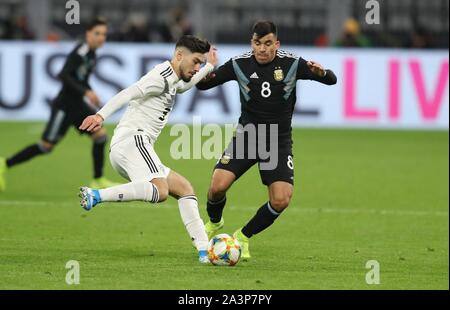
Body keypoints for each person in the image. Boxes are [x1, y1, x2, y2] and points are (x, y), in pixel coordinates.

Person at [196, 20, 337, 259]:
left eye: (268, 44)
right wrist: (208, 68)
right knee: (217, 186)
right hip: (247, 138)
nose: (262, 49)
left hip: (277, 142)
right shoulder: (239, 64)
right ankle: (215, 222)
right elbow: (202, 86)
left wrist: (322, 73)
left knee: (281, 199)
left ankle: (242, 237)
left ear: (277, 44)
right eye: (257, 43)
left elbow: (331, 80)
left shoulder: (292, 64)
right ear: (252, 43)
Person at [77, 35, 218, 264]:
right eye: (195, 62)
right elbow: (128, 93)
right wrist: (100, 115)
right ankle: (96, 195)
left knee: (184, 188)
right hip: (133, 141)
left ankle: (204, 250)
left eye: (200, 64)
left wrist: (209, 66)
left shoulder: (172, 78)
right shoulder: (159, 77)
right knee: (161, 192)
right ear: (179, 55)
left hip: (130, 148)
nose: (197, 67)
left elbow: (182, 87)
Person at [0, 17, 116, 192]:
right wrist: (86, 92)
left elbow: (80, 79)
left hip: (77, 105)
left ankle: (98, 179)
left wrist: (90, 92)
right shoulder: (81, 52)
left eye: (104, 34)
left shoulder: (92, 53)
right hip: (64, 106)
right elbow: (64, 75)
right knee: (45, 146)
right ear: (88, 34)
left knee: (100, 135)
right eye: (97, 33)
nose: (101, 38)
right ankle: (4, 163)